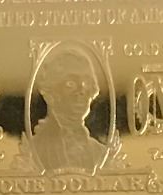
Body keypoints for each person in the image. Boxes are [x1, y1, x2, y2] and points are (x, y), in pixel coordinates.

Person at [30, 43, 108, 174]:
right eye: (71, 84)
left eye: (86, 83)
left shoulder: (100, 153)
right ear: (51, 94)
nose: (81, 91)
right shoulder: (33, 152)